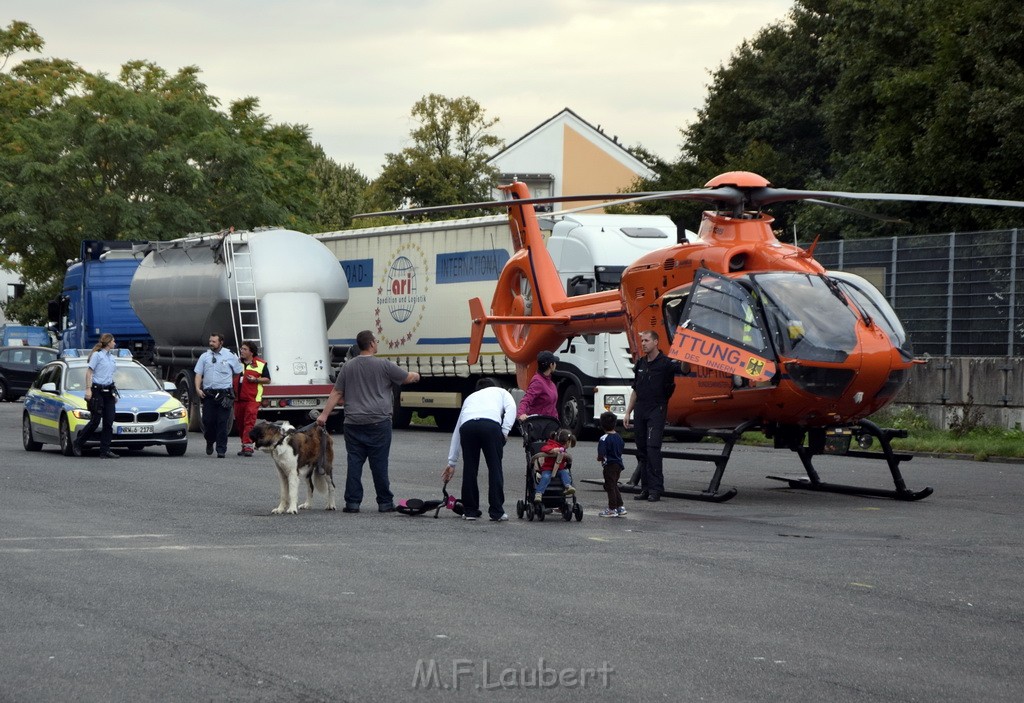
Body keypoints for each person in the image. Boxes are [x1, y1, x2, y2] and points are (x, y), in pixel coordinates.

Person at [315, 330, 420, 513]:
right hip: (379, 422)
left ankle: (353, 503)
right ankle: (385, 502)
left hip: (353, 422)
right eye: (376, 341)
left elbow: (337, 393)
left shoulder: (348, 367)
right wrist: (416, 375)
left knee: (354, 462)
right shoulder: (384, 365)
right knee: (379, 463)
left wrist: (323, 415)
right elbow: (406, 378)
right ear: (371, 343)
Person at [441, 377, 516, 522]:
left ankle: (470, 511)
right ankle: (497, 512)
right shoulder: (501, 391)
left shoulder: (471, 398)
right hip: (490, 426)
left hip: (468, 427)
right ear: (493, 386)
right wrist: (505, 431)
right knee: (495, 468)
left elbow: (458, 429)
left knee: (470, 468)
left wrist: (452, 462)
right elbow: (512, 408)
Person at [623, 330, 680, 502]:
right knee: (642, 450)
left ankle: (656, 489)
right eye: (642, 341)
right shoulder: (641, 363)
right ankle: (645, 488)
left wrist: (685, 356)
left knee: (652, 448)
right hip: (641, 409)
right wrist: (628, 412)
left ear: (656, 342)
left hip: (657, 409)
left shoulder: (666, 363)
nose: (644, 344)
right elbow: (635, 390)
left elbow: (684, 369)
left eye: (647, 340)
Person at [194, 333, 243, 459]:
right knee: (208, 421)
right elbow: (198, 374)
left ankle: (221, 450)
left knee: (222, 422)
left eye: (214, 341)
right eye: (210, 341)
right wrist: (198, 389)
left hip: (224, 395)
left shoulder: (230, 355)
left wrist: (230, 388)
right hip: (209, 394)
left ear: (221, 342)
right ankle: (210, 441)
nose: (211, 343)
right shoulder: (204, 356)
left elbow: (237, 372)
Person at [72, 333, 120, 459]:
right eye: (113, 341)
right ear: (108, 342)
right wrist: (88, 389)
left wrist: (113, 393)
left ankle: (105, 450)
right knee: (95, 421)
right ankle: (78, 442)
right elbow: (89, 372)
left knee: (109, 422)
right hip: (97, 391)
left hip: (108, 391)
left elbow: (110, 376)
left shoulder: (111, 357)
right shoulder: (97, 355)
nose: (115, 343)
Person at [234, 340, 270, 457]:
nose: (241, 351)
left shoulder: (260, 364)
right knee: (240, 423)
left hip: (252, 399)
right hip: (238, 398)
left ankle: (248, 446)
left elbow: (267, 379)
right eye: (241, 349)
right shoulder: (236, 363)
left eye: (244, 349)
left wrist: (255, 380)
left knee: (249, 422)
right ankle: (244, 445)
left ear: (251, 352)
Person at [530, 428, 577, 503]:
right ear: (565, 442)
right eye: (569, 443)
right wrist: (553, 450)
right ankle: (539, 493)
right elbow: (544, 448)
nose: (568, 446)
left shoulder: (563, 449)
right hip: (548, 468)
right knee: (545, 477)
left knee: (565, 473)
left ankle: (567, 486)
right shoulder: (551, 444)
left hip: (560, 469)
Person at [596, 411, 627, 517]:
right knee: (614, 485)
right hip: (618, 464)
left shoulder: (604, 438)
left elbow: (601, 454)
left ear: (602, 425)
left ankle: (612, 508)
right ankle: (620, 506)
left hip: (609, 465)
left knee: (609, 486)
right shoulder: (619, 437)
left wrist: (599, 458)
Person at [517, 350, 559, 421]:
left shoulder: (549, 381)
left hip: (551, 424)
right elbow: (526, 399)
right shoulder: (538, 382)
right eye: (554, 362)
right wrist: (521, 414)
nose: (556, 364)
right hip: (539, 425)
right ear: (551, 365)